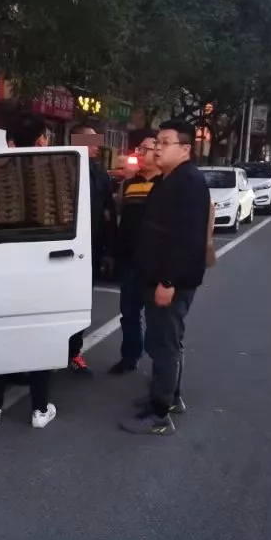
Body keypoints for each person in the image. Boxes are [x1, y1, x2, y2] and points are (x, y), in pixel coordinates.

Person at [120, 120, 211, 435]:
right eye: (156, 142)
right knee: (164, 341)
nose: (157, 148)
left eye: (165, 142)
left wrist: (168, 281)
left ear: (185, 149)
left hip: (170, 281)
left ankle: (159, 414)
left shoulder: (188, 183)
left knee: (164, 344)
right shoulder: (168, 180)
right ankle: (170, 397)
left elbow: (187, 240)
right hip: (158, 276)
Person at [0, 111, 56, 429]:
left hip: (1, 266)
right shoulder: (58, 171)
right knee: (41, 339)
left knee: (2, 337)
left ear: (10, 142)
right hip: (43, 268)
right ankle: (40, 410)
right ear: (41, 140)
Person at [108, 130, 162, 374]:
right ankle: (130, 356)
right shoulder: (129, 184)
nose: (139, 153)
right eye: (138, 148)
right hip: (129, 260)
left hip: (156, 263)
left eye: (145, 149)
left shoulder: (167, 183)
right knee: (128, 313)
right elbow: (121, 216)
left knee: (157, 319)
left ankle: (162, 367)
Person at [66, 122, 117, 376]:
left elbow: (109, 214)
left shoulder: (101, 175)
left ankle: (74, 353)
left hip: (90, 251)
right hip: (63, 249)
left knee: (82, 303)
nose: (97, 146)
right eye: (91, 141)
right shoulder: (65, 168)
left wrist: (109, 251)